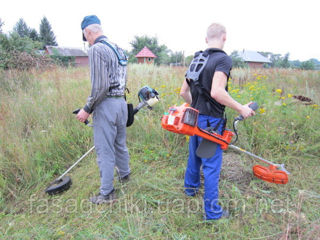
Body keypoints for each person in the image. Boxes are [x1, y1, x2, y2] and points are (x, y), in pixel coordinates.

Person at [180, 23, 255, 220]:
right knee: (212, 167)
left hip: (194, 117)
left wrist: (196, 108)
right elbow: (217, 92)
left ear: (206, 39)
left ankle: (190, 189)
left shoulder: (197, 58)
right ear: (224, 37)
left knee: (195, 156)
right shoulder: (223, 59)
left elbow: (183, 92)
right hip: (211, 122)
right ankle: (213, 214)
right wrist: (241, 108)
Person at [77, 15, 130, 204]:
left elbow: (100, 86)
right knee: (120, 143)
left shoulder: (96, 49)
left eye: (86, 37)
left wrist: (87, 108)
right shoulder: (119, 49)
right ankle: (125, 175)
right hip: (121, 103)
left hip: (106, 104)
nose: (87, 41)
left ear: (88, 32)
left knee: (104, 150)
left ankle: (106, 194)